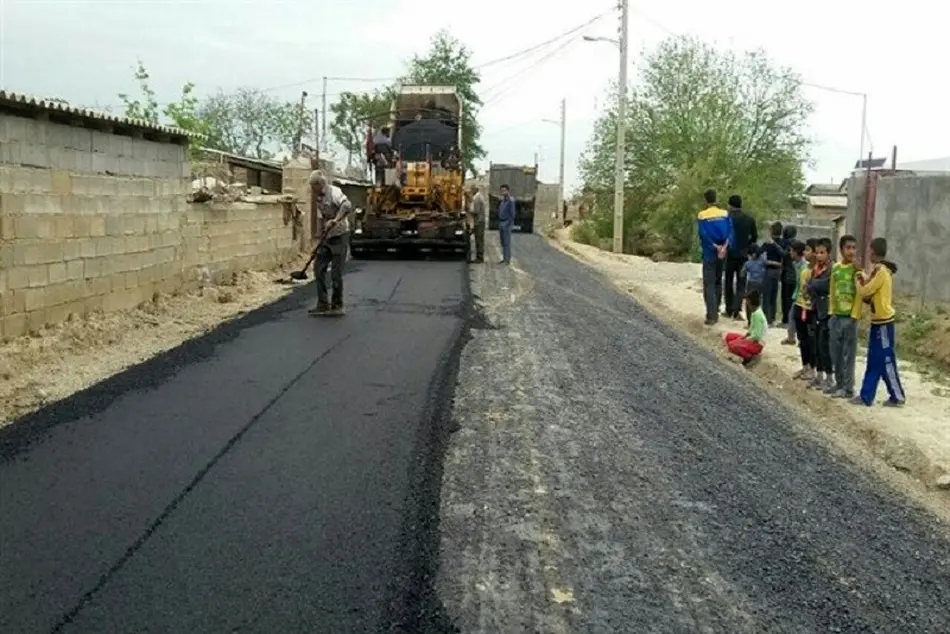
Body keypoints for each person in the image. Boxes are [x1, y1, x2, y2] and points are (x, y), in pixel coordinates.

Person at [854, 237, 905, 407]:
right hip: (877, 322)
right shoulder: (879, 270)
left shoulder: (881, 272)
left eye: (870, 250)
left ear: (874, 252)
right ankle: (866, 396)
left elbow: (866, 290)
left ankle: (897, 396)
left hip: (884, 323)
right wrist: (862, 276)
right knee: (874, 360)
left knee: (886, 360)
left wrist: (859, 279)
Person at [307, 170, 352, 316]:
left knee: (335, 273)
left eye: (313, 186)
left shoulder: (334, 192)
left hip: (340, 235)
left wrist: (335, 220)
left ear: (319, 184)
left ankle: (337, 305)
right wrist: (319, 239)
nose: (311, 189)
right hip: (327, 237)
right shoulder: (318, 197)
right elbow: (320, 218)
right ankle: (323, 303)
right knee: (318, 268)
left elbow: (346, 206)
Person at [826, 234, 862, 398]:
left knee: (849, 354)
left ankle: (848, 387)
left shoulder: (857, 270)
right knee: (836, 352)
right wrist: (832, 311)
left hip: (849, 317)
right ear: (841, 250)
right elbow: (832, 291)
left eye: (854, 248)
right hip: (836, 316)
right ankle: (839, 383)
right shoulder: (836, 268)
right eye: (848, 248)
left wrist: (855, 314)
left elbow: (861, 292)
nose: (851, 251)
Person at [696, 189, 734, 325]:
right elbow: (731, 232)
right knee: (718, 281)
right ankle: (716, 307)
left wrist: (714, 246)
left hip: (710, 252)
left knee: (709, 283)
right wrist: (724, 247)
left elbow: (703, 234)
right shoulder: (725, 213)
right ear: (716, 199)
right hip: (723, 251)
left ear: (706, 200)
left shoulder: (702, 215)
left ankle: (711, 315)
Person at [806, 237, 834, 390]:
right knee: (815, 343)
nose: (819, 256)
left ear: (829, 253)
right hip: (815, 308)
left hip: (826, 310)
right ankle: (819, 374)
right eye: (817, 253)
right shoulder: (815, 268)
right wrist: (812, 285)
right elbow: (810, 286)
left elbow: (825, 285)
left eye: (822, 252)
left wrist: (812, 284)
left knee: (825, 345)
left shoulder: (831, 268)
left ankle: (829, 377)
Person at [724, 194, 757, 320]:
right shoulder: (749, 219)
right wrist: (747, 247)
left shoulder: (727, 219)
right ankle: (737, 310)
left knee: (728, 281)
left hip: (730, 253)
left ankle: (728, 309)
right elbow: (754, 237)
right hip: (743, 254)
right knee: (741, 283)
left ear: (730, 205)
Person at [792, 239, 817, 380]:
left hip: (810, 309)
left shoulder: (817, 271)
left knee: (811, 340)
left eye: (808, 250)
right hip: (799, 305)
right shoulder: (804, 269)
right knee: (802, 339)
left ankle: (812, 368)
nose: (805, 253)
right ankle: (805, 366)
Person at [724, 290, 767, 368]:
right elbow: (751, 329)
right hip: (753, 339)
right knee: (729, 337)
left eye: (747, 302)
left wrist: (744, 340)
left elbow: (756, 336)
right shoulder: (755, 313)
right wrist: (744, 336)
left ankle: (749, 358)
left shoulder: (757, 315)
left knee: (732, 345)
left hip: (757, 343)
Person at [760, 222, 785, 324]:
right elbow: (784, 254)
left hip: (769, 270)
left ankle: (767, 317)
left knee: (766, 295)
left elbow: (758, 252)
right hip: (778, 271)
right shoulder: (783, 242)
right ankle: (773, 317)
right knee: (774, 296)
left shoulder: (768, 243)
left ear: (771, 231)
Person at [740, 244, 766, 325]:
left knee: (749, 302)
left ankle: (750, 322)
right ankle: (759, 320)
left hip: (751, 283)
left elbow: (742, 274)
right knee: (759, 302)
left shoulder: (748, 263)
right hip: (761, 283)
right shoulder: (763, 261)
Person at [780, 225, 798, 331]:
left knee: (785, 299)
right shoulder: (798, 244)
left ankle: (786, 320)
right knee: (793, 300)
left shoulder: (785, 245)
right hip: (795, 276)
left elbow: (783, 255)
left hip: (787, 276)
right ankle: (792, 320)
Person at [497, 184, 516, 264]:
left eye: (504, 190)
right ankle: (504, 258)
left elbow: (513, 214)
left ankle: (507, 260)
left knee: (506, 243)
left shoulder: (511, 201)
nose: (503, 192)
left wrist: (508, 224)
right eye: (502, 191)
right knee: (502, 242)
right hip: (501, 222)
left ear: (508, 191)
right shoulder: (502, 201)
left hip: (506, 223)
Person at [468, 184, 487, 263]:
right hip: (479, 221)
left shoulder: (477, 198)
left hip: (479, 222)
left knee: (479, 240)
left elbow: (476, 211)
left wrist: (468, 212)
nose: (470, 192)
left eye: (471, 190)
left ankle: (479, 258)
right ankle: (479, 257)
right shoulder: (479, 197)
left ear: (475, 190)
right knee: (479, 239)